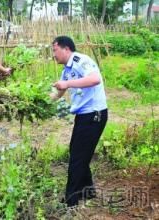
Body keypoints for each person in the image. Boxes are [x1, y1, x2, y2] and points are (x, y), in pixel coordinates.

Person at [50, 36, 108, 207]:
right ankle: (88, 190)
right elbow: (58, 92)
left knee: (77, 157)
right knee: (78, 153)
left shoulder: (81, 60)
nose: (54, 55)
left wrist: (67, 84)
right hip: (84, 116)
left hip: (94, 115)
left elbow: (94, 79)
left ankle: (71, 200)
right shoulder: (66, 70)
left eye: (55, 50)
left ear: (66, 48)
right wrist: (40, 101)